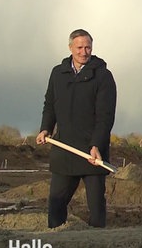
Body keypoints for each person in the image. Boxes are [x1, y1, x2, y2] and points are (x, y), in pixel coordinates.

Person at [36, 29, 117, 228]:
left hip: (92, 154)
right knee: (56, 203)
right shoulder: (58, 73)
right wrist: (46, 128)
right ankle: (57, 241)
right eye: (79, 47)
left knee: (96, 206)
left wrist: (96, 144)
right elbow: (50, 104)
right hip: (64, 149)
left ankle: (97, 246)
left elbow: (105, 116)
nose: (84, 52)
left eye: (88, 47)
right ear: (70, 47)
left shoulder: (103, 76)